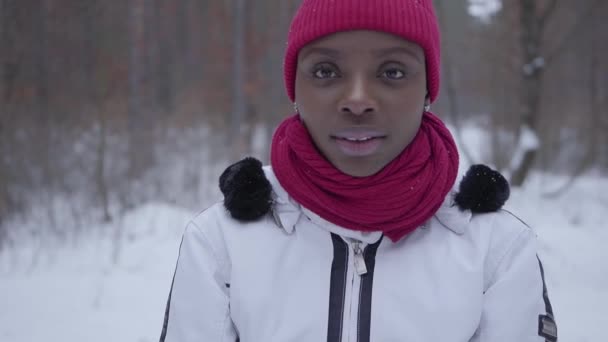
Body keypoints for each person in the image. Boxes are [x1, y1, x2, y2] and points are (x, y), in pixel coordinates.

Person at [159, 0, 557, 341]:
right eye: (326, 71)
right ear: (295, 88)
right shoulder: (222, 242)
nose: (357, 100)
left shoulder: (494, 246)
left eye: (393, 72)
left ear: (427, 91)